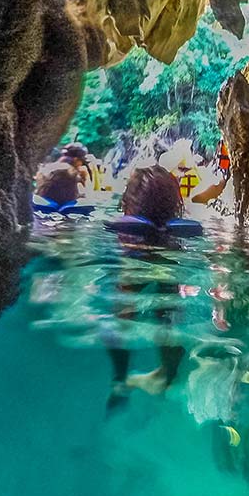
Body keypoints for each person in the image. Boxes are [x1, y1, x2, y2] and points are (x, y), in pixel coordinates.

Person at [105, 165, 188, 411]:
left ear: (129, 203)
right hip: (167, 254)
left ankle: (120, 379)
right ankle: (167, 376)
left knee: (123, 308)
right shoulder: (174, 236)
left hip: (133, 254)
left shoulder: (126, 230)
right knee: (168, 310)